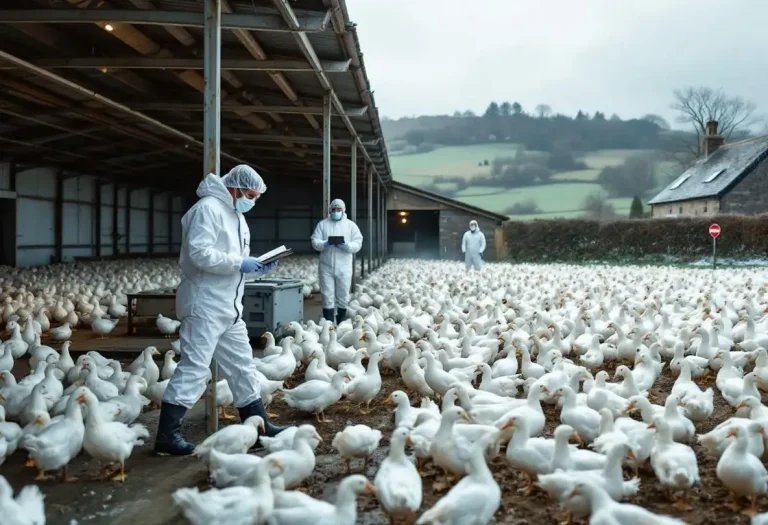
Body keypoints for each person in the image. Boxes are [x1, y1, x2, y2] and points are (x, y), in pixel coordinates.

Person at [155, 165, 287, 456]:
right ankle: (167, 434)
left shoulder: (236, 216)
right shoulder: (208, 209)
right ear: (236, 188)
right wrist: (240, 263)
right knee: (195, 367)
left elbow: (233, 267)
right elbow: (199, 254)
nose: (252, 200)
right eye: (250, 194)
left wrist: (258, 269)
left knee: (242, 366)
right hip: (205, 303)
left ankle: (258, 428)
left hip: (229, 306)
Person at [310, 198, 363, 324]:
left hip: (344, 266)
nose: (336, 211)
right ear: (330, 210)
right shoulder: (322, 224)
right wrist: (325, 243)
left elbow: (358, 241)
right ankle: (329, 322)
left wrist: (348, 246)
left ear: (344, 210)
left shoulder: (350, 225)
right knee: (327, 294)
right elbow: (314, 241)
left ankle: (340, 321)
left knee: (343, 294)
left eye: (339, 209)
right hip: (326, 265)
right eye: (334, 209)